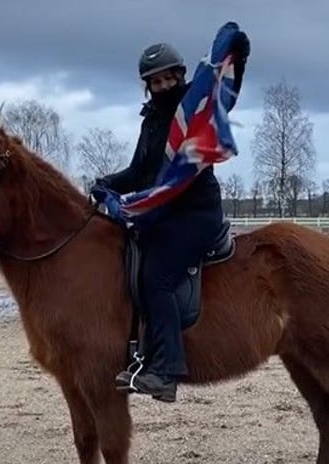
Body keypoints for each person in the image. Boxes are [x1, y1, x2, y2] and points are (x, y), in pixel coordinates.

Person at [94, 30, 250, 403]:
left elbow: (222, 87)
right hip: (163, 214)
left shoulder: (194, 110)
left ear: (180, 76)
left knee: (158, 278)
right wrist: (104, 184)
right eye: (155, 81)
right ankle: (137, 353)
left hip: (195, 214)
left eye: (169, 78)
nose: (163, 85)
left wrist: (237, 59)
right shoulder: (150, 121)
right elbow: (138, 173)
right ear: (147, 86)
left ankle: (165, 371)